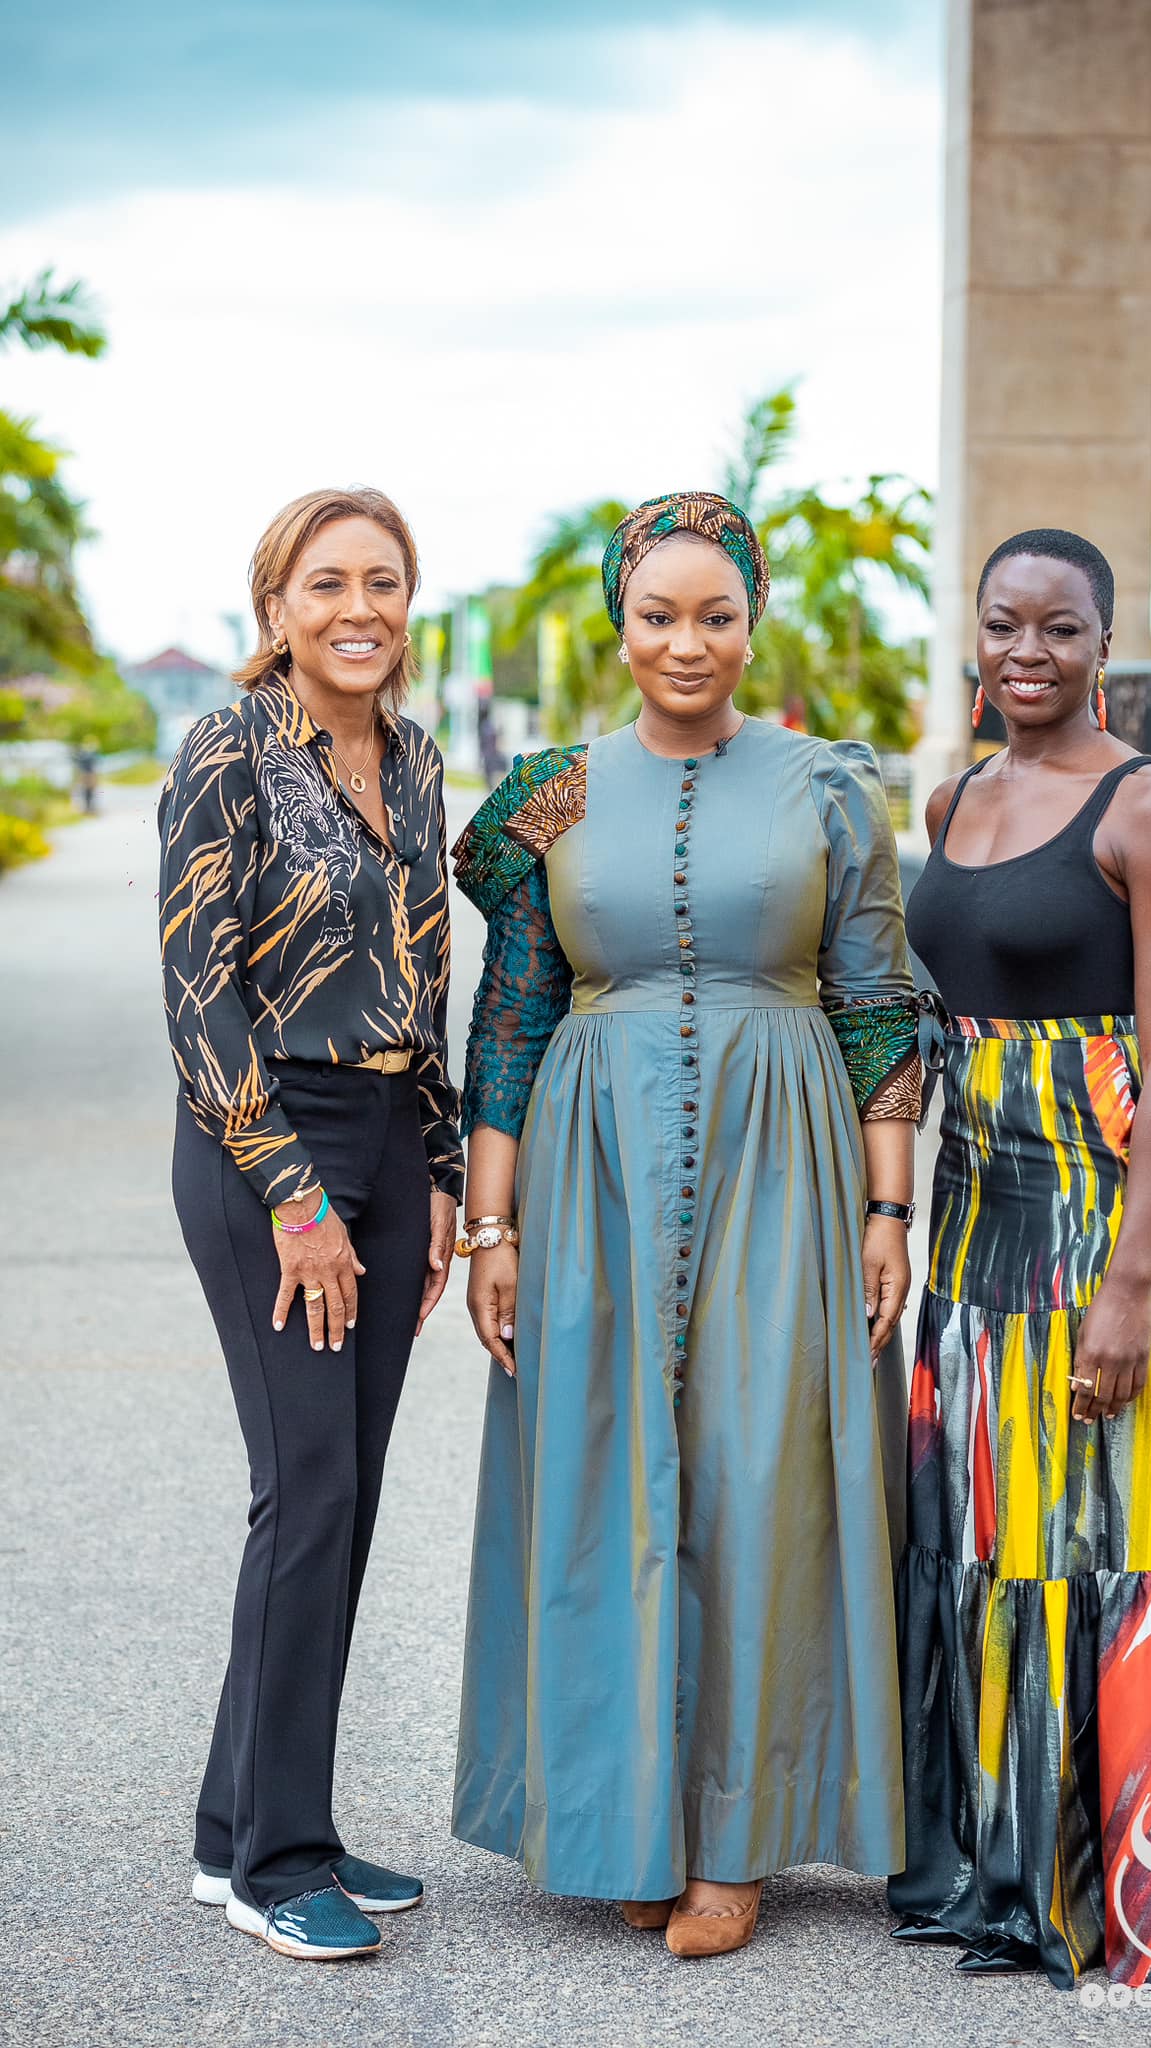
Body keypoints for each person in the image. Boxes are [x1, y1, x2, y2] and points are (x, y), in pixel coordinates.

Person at [450, 491, 924, 1958]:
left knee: (757, 1470)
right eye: (659, 614)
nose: (686, 642)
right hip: (588, 1167)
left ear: (752, 617)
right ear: (619, 619)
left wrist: (887, 1201)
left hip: (784, 1157)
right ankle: (624, 1820)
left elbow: (877, 1002)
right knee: (606, 1474)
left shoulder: (830, 788)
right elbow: (513, 1013)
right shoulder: (549, 791)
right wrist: (491, 1227)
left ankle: (735, 1838)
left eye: (715, 614)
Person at [892, 530, 1151, 1987]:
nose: (1027, 651)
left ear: (1106, 648)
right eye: (1003, 625)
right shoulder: (952, 794)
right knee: (988, 1551)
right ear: (975, 639)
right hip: (973, 1234)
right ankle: (1003, 1876)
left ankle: (1139, 1902)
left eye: (1061, 628)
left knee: (1125, 1553)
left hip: (1102, 1231)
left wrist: (1126, 1282)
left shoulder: (1145, 812)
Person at [157, 487, 464, 1961]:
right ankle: (278, 1867)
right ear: (275, 604)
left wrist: (447, 1170)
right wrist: (292, 1194)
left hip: (392, 1144)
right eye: (328, 581)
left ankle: (253, 1827)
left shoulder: (410, 762)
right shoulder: (227, 751)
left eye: (384, 582)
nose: (360, 608)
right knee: (308, 1495)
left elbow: (429, 977)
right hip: (263, 1138)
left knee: (341, 1503)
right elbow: (195, 995)